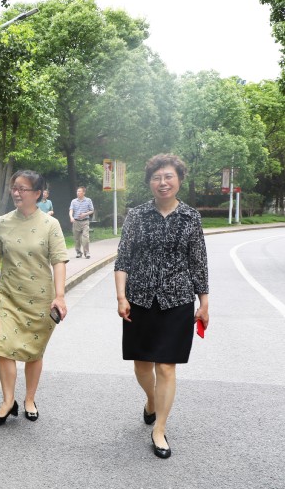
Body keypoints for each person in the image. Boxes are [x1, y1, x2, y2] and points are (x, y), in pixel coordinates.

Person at [114, 153, 209, 459]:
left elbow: (198, 263)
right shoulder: (137, 216)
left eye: (168, 176)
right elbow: (123, 258)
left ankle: (160, 428)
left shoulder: (191, 217)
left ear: (178, 180)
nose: (163, 182)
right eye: (157, 177)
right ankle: (151, 400)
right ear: (150, 182)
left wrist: (204, 303)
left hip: (177, 300)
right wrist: (121, 297)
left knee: (166, 366)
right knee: (142, 365)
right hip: (139, 299)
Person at [0, 170, 68, 426]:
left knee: (33, 352)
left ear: (38, 194)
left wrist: (60, 296)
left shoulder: (50, 225)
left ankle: (30, 399)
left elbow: (59, 261)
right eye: (15, 188)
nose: (17, 193)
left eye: (23, 189)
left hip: (40, 299)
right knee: (4, 347)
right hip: (9, 296)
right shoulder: (2, 222)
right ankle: (8, 401)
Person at [69, 186, 94, 258]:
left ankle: (87, 253)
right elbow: (71, 210)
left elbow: (92, 210)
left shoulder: (88, 200)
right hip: (76, 222)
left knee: (85, 237)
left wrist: (85, 214)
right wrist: (71, 217)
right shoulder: (73, 201)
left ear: (84, 192)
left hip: (85, 222)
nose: (78, 193)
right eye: (77, 191)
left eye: (79, 191)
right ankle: (78, 252)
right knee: (77, 239)